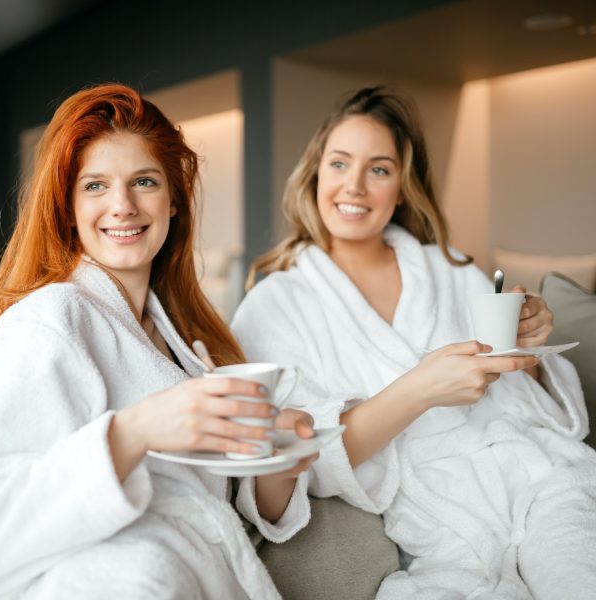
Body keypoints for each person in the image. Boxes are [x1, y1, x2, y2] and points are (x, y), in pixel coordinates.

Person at [0, 83, 317, 600]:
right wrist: (132, 432)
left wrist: (281, 457)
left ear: (174, 200)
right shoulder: (48, 322)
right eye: (94, 186)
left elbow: (220, 518)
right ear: (66, 208)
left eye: (143, 181)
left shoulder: (184, 342)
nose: (123, 206)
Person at [232, 85, 596, 599]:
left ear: (400, 188)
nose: (354, 185)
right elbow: (295, 463)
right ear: (316, 174)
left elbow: (526, 401)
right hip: (443, 529)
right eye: (339, 164)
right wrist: (418, 389)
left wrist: (528, 351)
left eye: (378, 169)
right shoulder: (273, 307)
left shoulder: (449, 267)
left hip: (545, 482)